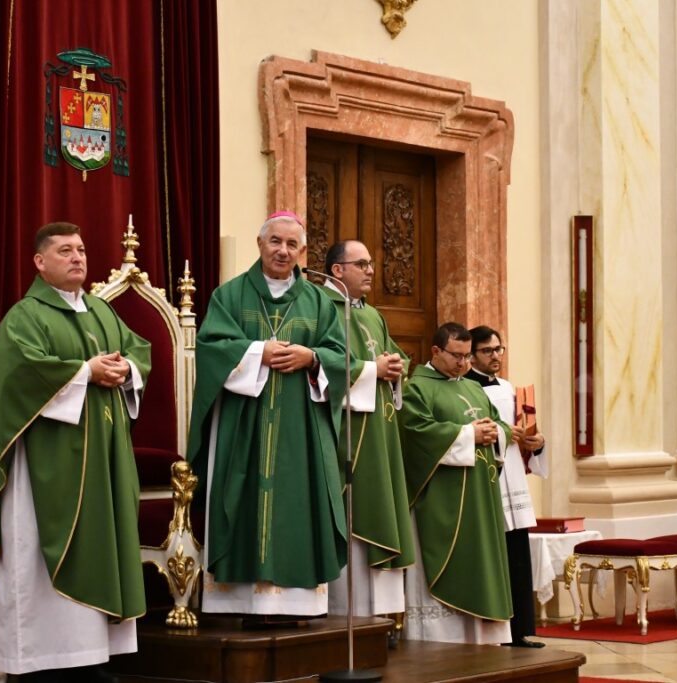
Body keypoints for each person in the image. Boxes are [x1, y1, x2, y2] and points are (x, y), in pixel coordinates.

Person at [0, 222, 151, 682]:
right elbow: (21, 374)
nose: (77, 257)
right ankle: (44, 662)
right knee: (41, 554)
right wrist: (85, 372)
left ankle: (94, 657)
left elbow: (138, 350)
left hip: (103, 461)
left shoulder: (101, 311)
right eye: (65, 250)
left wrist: (126, 369)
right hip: (49, 467)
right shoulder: (25, 317)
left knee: (103, 544)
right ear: (40, 262)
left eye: (82, 249)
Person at [186, 211, 348, 619]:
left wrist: (312, 357)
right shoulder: (230, 295)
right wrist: (258, 352)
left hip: (300, 426)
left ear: (302, 252)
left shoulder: (319, 301)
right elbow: (211, 348)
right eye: (275, 241)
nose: (283, 250)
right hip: (244, 422)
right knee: (242, 494)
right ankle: (239, 600)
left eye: (292, 244)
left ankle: (296, 604)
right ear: (260, 244)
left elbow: (341, 357)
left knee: (299, 499)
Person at [399, 322, 513, 644]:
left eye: (467, 356)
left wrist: (495, 432)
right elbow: (414, 434)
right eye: (456, 356)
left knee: (481, 563)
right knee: (446, 564)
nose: (463, 363)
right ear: (436, 351)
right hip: (442, 499)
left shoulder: (474, 388)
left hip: (480, 495)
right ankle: (440, 640)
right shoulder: (417, 388)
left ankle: (482, 638)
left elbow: (500, 425)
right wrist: (467, 434)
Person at [321, 240, 415, 618]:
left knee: (382, 505)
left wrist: (395, 368)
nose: (371, 271)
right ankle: (348, 614)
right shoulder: (320, 307)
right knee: (354, 511)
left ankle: (383, 621)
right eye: (361, 264)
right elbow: (323, 364)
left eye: (371, 263)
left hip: (380, 431)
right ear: (337, 270)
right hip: (348, 432)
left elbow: (393, 358)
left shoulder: (373, 315)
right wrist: (373, 369)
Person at [465, 325, 548, 648]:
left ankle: (519, 630)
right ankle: (492, 631)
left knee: (517, 556)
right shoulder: (466, 390)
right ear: (472, 355)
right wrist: (502, 433)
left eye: (499, 349)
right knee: (493, 557)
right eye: (487, 351)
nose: (495, 356)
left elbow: (524, 431)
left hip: (513, 476)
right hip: (488, 478)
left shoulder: (508, 387)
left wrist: (536, 442)